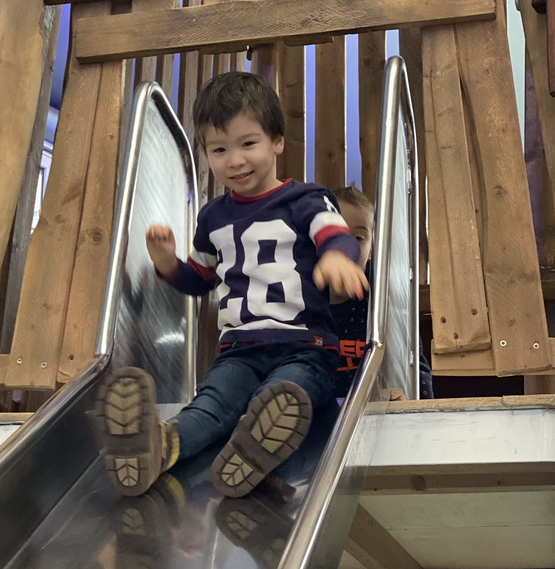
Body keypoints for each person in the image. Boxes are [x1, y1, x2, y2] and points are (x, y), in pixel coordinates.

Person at [96, 71, 368, 498]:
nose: (235, 160)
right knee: (211, 404)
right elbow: (200, 279)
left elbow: (334, 235)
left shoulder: (307, 200)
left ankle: (254, 441)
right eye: (219, 149)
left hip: (304, 345)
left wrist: (336, 256)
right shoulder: (212, 217)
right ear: (206, 153)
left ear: (277, 141)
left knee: (288, 393)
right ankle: (160, 446)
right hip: (238, 347)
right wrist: (168, 263)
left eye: (248, 144)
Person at [330, 183, 434, 400]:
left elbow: (413, 362)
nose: (346, 247)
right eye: (334, 235)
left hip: (372, 411)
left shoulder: (383, 296)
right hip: (317, 414)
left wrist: (420, 411)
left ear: (372, 248)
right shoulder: (297, 297)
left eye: (358, 238)